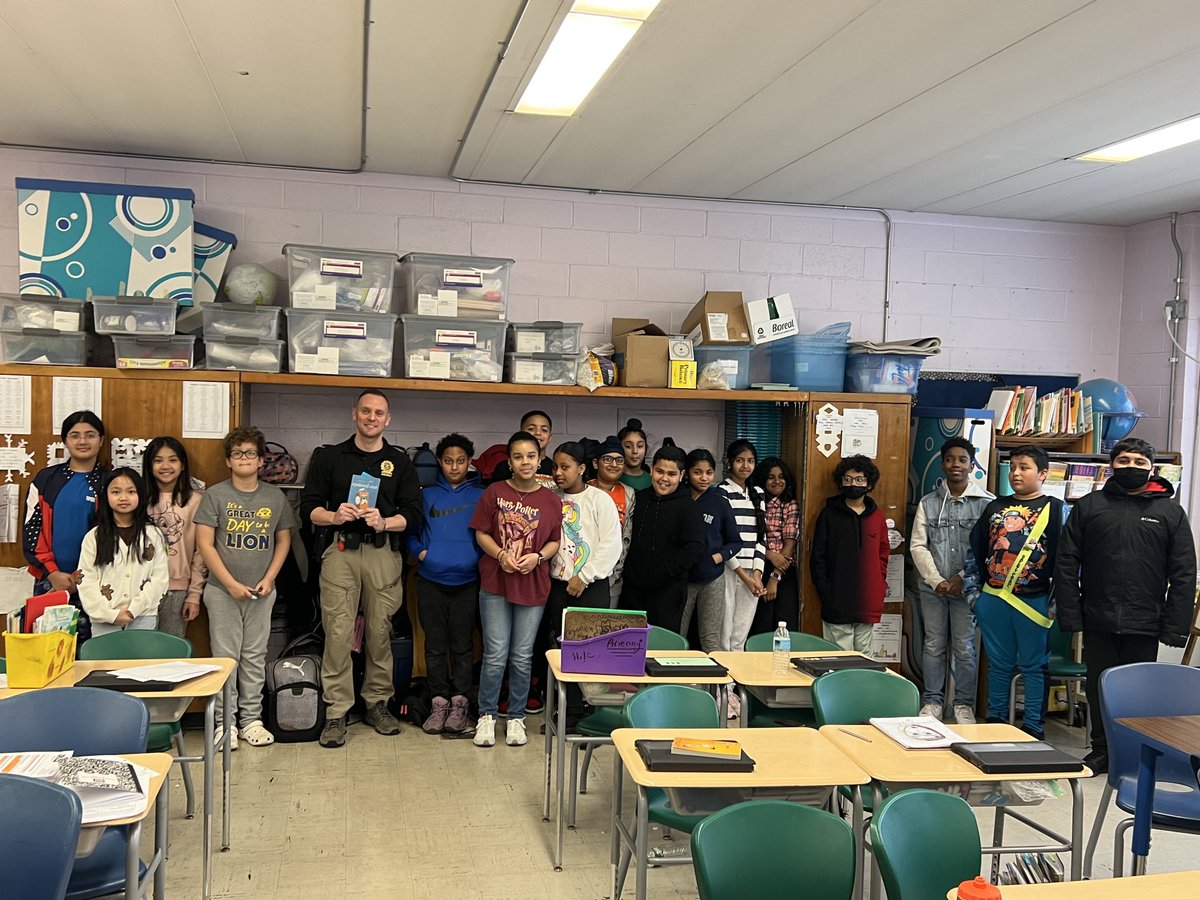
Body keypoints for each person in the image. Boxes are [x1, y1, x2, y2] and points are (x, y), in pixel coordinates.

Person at [1055, 437, 1196, 772]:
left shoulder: (1169, 512)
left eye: (1138, 462)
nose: (1130, 467)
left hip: (1145, 620)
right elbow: (1065, 563)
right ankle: (1102, 751)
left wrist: (1176, 627)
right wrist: (1070, 614)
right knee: (1099, 686)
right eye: (1124, 461)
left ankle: (1134, 753)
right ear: (1111, 466)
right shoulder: (1090, 506)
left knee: (1139, 692)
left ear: (1151, 468)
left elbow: (1184, 572)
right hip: (1097, 618)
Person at [300, 389, 423, 748]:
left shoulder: (399, 462)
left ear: (388, 420)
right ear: (354, 414)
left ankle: (377, 703)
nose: (372, 417)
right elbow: (308, 507)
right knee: (337, 632)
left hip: (383, 552)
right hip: (340, 551)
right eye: (366, 411)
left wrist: (386, 522)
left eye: (379, 413)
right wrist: (333, 515)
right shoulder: (330, 457)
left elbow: (413, 514)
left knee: (380, 632)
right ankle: (336, 710)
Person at [196, 426, 295, 750]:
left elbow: (283, 540)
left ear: (261, 459)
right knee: (226, 657)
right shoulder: (216, 495)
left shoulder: (274, 497)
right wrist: (231, 583)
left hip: (262, 592)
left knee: (254, 656)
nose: (244, 459)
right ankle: (226, 723)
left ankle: (252, 720)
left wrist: (269, 579)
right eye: (237, 453)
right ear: (228, 460)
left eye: (250, 453)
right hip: (223, 592)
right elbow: (206, 545)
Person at [965, 445, 1067, 740]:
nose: (1016, 473)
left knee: (1034, 666)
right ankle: (995, 724)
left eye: (1025, 467)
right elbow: (975, 551)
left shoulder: (1057, 509)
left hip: (1033, 602)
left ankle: (1033, 728)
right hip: (994, 600)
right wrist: (975, 597)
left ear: (1043, 473)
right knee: (998, 664)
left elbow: (1068, 559)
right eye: (1013, 467)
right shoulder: (994, 507)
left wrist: (1054, 606)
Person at [469, 431, 562, 748]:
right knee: (495, 655)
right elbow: (481, 533)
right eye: (518, 456)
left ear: (539, 459)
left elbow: (554, 541)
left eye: (531, 456)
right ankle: (487, 716)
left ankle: (517, 718)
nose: (525, 462)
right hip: (496, 581)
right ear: (510, 462)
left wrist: (537, 557)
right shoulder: (494, 493)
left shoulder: (551, 498)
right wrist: (500, 554)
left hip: (533, 583)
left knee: (522, 657)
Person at [909, 437, 994, 724]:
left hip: (968, 589)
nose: (955, 465)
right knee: (933, 644)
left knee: (966, 647)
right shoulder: (928, 503)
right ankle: (932, 701)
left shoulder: (987, 504)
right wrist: (935, 580)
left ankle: (964, 705)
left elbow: (988, 549)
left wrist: (960, 578)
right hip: (933, 589)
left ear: (972, 465)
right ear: (942, 464)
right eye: (950, 459)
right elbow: (918, 546)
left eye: (962, 460)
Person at [407, 433, 485, 735]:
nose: (455, 466)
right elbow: (410, 532)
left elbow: (490, 534)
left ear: (469, 462)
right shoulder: (425, 494)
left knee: (463, 647)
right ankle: (438, 701)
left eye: (461, 461)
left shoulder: (480, 495)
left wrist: (474, 558)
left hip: (467, 582)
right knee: (435, 645)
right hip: (430, 581)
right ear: (440, 462)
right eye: (449, 461)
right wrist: (422, 553)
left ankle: (460, 702)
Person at [24, 410, 108, 641]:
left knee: (91, 654)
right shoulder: (46, 479)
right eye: (75, 435)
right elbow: (32, 529)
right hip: (50, 581)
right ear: (65, 441)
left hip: (95, 583)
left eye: (90, 435)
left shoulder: (109, 482)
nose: (82, 441)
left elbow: (111, 535)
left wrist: (79, 577)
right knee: (48, 652)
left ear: (101, 441)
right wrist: (53, 573)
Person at [620, 445, 704, 634]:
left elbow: (694, 548)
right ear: (651, 469)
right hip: (632, 591)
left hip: (668, 593)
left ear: (682, 475)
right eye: (659, 471)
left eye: (671, 474)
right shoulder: (639, 498)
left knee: (661, 649)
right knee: (628, 647)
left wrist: (664, 574)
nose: (664, 479)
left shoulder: (689, 507)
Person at [810, 454, 890, 653]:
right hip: (836, 600)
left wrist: (879, 585)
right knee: (838, 657)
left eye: (859, 479)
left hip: (868, 601)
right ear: (840, 482)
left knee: (865, 660)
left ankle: (861, 686)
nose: (853, 484)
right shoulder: (829, 514)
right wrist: (825, 591)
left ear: (869, 484)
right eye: (848, 479)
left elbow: (883, 553)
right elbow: (818, 557)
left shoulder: (877, 516)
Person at [77, 467, 169, 636]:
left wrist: (134, 609)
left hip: (143, 615)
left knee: (139, 662)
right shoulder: (94, 537)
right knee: (106, 663)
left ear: (140, 495)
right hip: (103, 618)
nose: (123, 498)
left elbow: (160, 578)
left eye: (131, 491)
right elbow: (86, 580)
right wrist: (110, 614)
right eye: (116, 492)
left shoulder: (152, 534)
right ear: (106, 496)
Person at [144, 436, 208, 638]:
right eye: (158, 460)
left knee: (170, 653)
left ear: (182, 465)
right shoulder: (138, 498)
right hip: (140, 588)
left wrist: (194, 594)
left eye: (172, 460)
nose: (165, 466)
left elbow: (201, 553)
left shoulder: (196, 501)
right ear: (149, 465)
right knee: (139, 653)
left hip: (178, 590)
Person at [680, 448, 740, 652]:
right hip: (682, 578)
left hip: (712, 578)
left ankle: (713, 685)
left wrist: (719, 557)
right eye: (697, 472)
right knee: (678, 635)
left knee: (710, 638)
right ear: (686, 473)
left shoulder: (720, 503)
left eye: (709, 472)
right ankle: (673, 682)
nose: (704, 478)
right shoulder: (679, 498)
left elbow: (735, 542)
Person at [718, 439, 766, 655]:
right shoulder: (722, 492)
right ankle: (722, 686)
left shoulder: (758, 493)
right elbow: (722, 538)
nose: (745, 466)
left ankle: (735, 686)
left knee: (740, 634)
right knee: (724, 632)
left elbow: (761, 538)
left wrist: (757, 574)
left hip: (752, 571)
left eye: (750, 461)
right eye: (740, 460)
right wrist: (742, 574)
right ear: (729, 463)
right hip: (728, 569)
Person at [748, 456, 801, 636]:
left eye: (781, 477)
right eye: (771, 477)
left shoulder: (790, 504)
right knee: (760, 625)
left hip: (782, 570)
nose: (777, 481)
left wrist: (774, 578)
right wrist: (769, 554)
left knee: (784, 625)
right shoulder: (754, 503)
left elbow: (790, 543)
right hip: (758, 565)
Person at [588, 435, 635, 605]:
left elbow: (626, 539)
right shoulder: (584, 489)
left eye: (619, 460)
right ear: (595, 463)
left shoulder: (629, 494)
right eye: (608, 459)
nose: (614, 465)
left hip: (613, 575)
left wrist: (615, 574)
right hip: (582, 570)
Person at [489, 410, 555, 487]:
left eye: (544, 430)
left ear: (550, 437)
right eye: (531, 429)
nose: (538, 433)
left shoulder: (554, 468)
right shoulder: (504, 467)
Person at [618, 418, 652, 490]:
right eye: (628, 446)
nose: (635, 451)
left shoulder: (652, 480)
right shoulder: (614, 477)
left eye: (640, 446)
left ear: (646, 449)